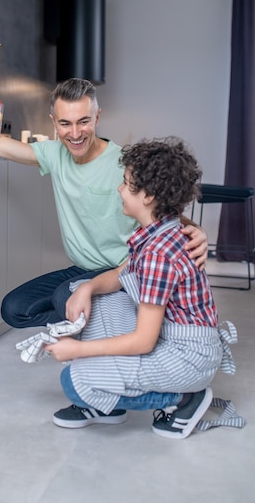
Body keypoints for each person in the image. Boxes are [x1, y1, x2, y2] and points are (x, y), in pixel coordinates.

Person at [0, 67, 208, 328]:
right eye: (65, 123)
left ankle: (121, 322)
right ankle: (98, 319)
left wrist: (197, 231)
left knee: (63, 298)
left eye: (84, 121)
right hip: (82, 268)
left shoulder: (122, 164)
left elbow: (165, 213)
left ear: (97, 117)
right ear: (53, 121)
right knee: (14, 309)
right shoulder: (53, 154)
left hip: (126, 270)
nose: (75, 133)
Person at [43, 137, 237, 439]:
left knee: (76, 380)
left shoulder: (159, 253)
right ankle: (111, 392)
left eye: (125, 182)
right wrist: (87, 289)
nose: (119, 189)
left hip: (187, 358)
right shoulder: (159, 232)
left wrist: (78, 349)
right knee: (95, 292)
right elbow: (118, 276)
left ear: (146, 196)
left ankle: (185, 398)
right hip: (172, 338)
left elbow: (144, 341)